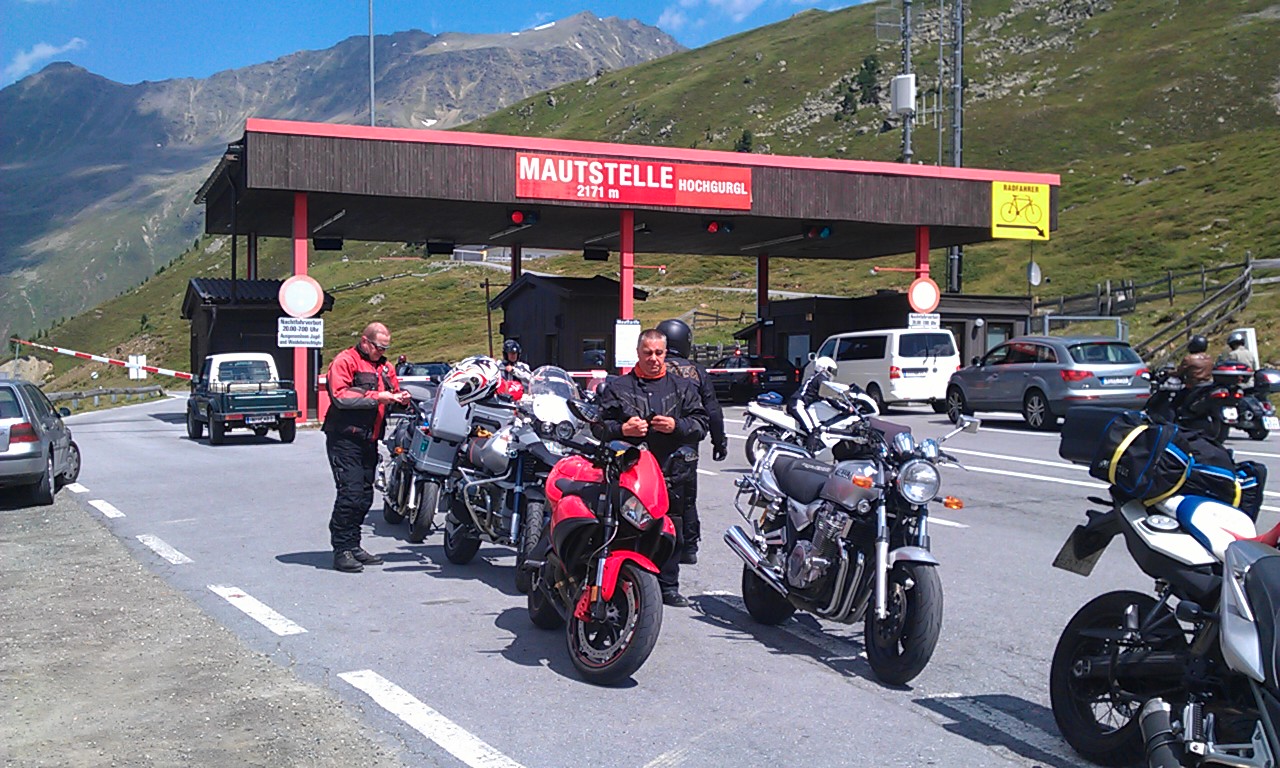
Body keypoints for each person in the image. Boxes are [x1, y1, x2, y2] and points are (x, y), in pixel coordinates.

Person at [594, 329, 709, 607]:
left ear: (666, 353)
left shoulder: (683, 387)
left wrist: (676, 425)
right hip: (629, 471)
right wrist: (623, 429)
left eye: (659, 353)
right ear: (638, 353)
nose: (653, 358)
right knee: (626, 525)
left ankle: (668, 586)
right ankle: (623, 581)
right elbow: (598, 426)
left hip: (672, 471)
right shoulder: (618, 387)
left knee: (671, 528)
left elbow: (701, 424)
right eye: (648, 353)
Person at [323, 322, 411, 573]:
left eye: (385, 348)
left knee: (364, 496)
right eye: (378, 347)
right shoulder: (345, 360)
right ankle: (342, 549)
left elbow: (392, 394)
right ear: (365, 341)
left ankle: (354, 544)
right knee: (350, 494)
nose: (382, 352)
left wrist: (401, 400)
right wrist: (377, 397)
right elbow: (340, 396)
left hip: (369, 439)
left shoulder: (386, 367)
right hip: (344, 438)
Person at [656, 318, 726, 565]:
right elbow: (713, 410)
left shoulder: (653, 368)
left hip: (654, 441)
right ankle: (688, 546)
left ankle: (654, 541)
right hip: (687, 441)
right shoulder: (697, 371)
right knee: (686, 496)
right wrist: (719, 441)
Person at [789, 355, 839, 452]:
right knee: (812, 429)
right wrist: (844, 407)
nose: (832, 373)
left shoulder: (818, 378)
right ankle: (811, 452)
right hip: (798, 404)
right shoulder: (821, 379)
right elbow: (829, 396)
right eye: (831, 370)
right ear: (823, 368)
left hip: (798, 403)